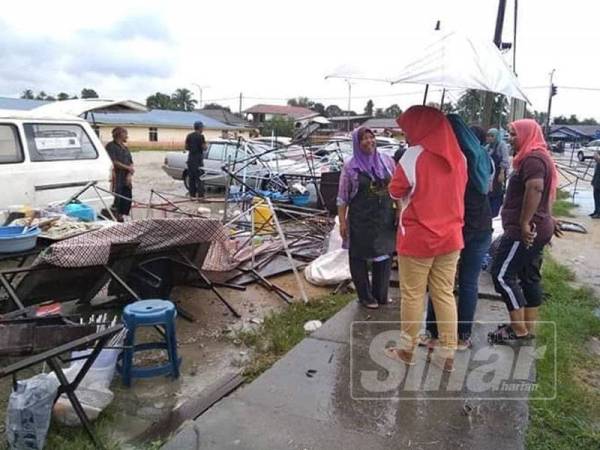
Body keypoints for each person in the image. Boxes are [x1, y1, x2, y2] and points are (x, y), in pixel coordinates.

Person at [385, 106, 468, 372]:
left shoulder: (412, 156)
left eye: (409, 128)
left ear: (420, 127)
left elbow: (395, 191)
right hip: (451, 237)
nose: (406, 133)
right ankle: (448, 354)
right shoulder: (460, 157)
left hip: (418, 238)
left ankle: (407, 351)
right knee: (444, 294)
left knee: (412, 296)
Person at [489, 119, 561, 344]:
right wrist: (547, 217)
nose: (510, 138)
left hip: (526, 230)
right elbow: (547, 190)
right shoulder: (540, 156)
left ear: (527, 134)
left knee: (501, 275)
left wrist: (524, 222)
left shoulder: (532, 159)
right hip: (539, 225)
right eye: (509, 133)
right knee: (529, 276)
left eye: (513, 134)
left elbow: (537, 187)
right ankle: (528, 327)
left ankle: (518, 330)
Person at [425, 116, 493, 351]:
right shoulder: (481, 155)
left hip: (454, 227)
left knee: (440, 282)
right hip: (482, 226)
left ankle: (433, 334)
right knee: (468, 283)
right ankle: (463, 337)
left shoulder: (449, 157)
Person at [337, 127, 396, 309]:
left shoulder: (387, 161)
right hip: (360, 219)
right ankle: (365, 297)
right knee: (358, 256)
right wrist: (342, 221)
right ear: (357, 143)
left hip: (385, 217)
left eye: (371, 137)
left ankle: (381, 295)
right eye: (364, 139)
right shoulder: (350, 166)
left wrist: (400, 210)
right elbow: (342, 197)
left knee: (384, 255)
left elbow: (396, 189)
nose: (369, 141)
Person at [106, 127, 134, 222]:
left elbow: (131, 162)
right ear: (120, 134)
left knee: (126, 198)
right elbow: (114, 161)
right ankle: (115, 217)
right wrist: (128, 168)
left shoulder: (125, 148)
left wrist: (129, 175)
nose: (127, 136)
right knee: (117, 198)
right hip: (116, 177)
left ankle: (121, 216)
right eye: (125, 134)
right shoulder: (110, 146)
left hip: (126, 177)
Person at [486, 128, 510, 217]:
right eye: (488, 136)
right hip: (490, 175)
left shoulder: (501, 145)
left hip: (499, 174)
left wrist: (502, 172)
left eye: (492, 136)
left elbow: (505, 160)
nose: (489, 138)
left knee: (497, 193)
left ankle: (494, 214)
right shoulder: (488, 147)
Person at [185, 121, 207, 199]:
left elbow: (186, 147)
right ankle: (201, 197)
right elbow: (204, 148)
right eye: (202, 127)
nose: (203, 129)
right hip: (198, 161)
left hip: (190, 160)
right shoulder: (201, 136)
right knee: (200, 179)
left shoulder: (189, 136)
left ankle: (192, 196)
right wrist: (203, 146)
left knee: (192, 179)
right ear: (200, 127)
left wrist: (192, 147)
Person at [590, 150, 600, 218]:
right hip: (596, 184)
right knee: (596, 198)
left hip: (599, 185)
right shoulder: (597, 163)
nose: (594, 156)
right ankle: (596, 211)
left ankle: (598, 213)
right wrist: (593, 182)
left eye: (595, 155)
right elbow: (595, 174)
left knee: (598, 199)